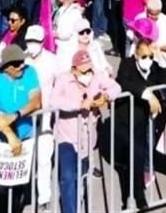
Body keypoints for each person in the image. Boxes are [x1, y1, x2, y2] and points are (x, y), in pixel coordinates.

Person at [100, 41, 166, 212]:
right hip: (123, 121)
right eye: (144, 56)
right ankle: (132, 198)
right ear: (137, 55)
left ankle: (138, 198)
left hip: (140, 122)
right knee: (130, 161)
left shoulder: (153, 66)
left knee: (136, 158)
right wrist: (147, 94)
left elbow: (165, 80)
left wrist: (161, 60)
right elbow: (125, 82)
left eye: (150, 56)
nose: (148, 59)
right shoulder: (127, 64)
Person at [50, 50, 121, 213]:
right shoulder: (63, 79)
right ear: (74, 68)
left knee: (81, 177)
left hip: (88, 139)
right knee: (68, 178)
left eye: (89, 69)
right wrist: (79, 104)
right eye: (84, 70)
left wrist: (105, 96)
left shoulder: (97, 75)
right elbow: (53, 101)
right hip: (66, 137)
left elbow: (116, 86)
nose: (87, 73)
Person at [0, 44, 42, 213]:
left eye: (22, 62)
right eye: (16, 64)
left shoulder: (30, 72)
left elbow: (36, 101)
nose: (21, 66)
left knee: (20, 187)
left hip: (25, 137)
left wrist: (15, 115)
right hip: (1, 141)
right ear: (6, 67)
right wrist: (10, 135)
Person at [24, 25, 58, 211]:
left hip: (45, 116)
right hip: (25, 117)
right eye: (30, 41)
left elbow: (60, 82)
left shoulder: (53, 61)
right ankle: (23, 195)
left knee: (44, 157)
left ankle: (44, 197)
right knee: (25, 156)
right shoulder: (21, 59)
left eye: (36, 42)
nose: (32, 45)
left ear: (43, 42)